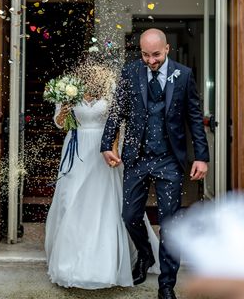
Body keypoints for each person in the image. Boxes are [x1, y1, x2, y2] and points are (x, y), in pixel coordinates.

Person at [101, 28, 210, 299]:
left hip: (169, 160)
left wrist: (201, 156)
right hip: (136, 158)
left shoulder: (183, 75)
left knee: (169, 222)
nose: (150, 60)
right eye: (145, 55)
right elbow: (117, 109)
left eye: (156, 55)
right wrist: (106, 144)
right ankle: (146, 255)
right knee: (130, 216)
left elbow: (194, 117)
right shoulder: (130, 72)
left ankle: (166, 285)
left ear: (168, 49)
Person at [45, 59, 159, 289]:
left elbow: (117, 123)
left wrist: (115, 150)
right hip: (76, 151)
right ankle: (70, 263)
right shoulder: (69, 90)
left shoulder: (111, 90)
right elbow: (60, 124)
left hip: (102, 150)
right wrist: (65, 110)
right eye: (88, 70)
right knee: (71, 201)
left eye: (96, 70)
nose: (92, 74)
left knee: (104, 202)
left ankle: (107, 263)